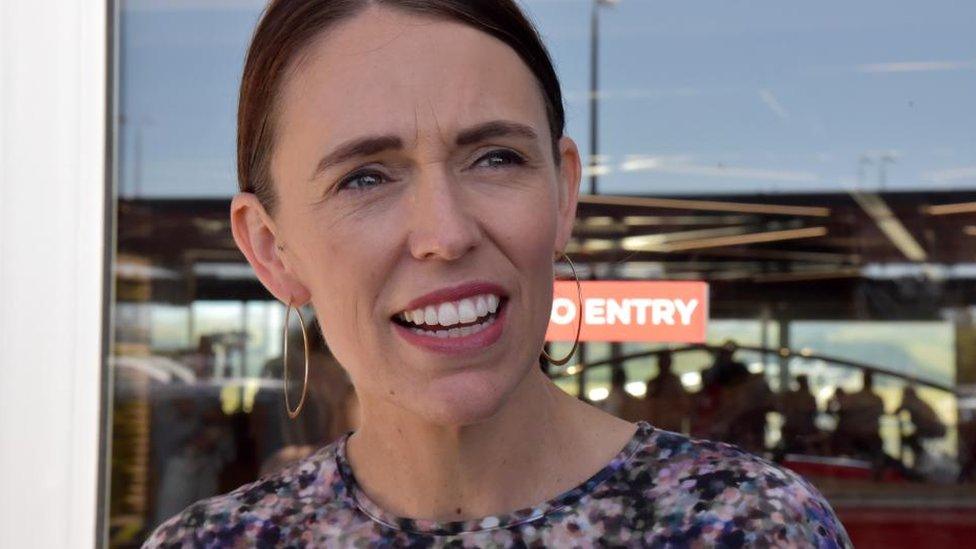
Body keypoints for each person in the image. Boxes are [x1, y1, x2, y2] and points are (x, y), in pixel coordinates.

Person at [145, 1, 850, 546]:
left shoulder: (748, 525)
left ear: (563, 191)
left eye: (496, 158)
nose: (447, 234)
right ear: (271, 249)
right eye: (364, 178)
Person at [643, 350, 689, 433]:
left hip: (673, 425)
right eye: (663, 362)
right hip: (658, 425)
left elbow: (683, 403)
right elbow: (649, 406)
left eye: (667, 362)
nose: (665, 364)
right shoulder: (653, 383)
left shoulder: (675, 381)